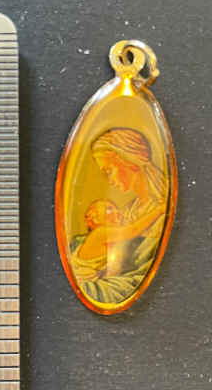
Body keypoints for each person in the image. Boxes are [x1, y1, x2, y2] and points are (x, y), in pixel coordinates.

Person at [71, 128, 167, 304]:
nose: (109, 180)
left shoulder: (161, 205)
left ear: (129, 162)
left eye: (109, 171)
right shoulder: (130, 211)